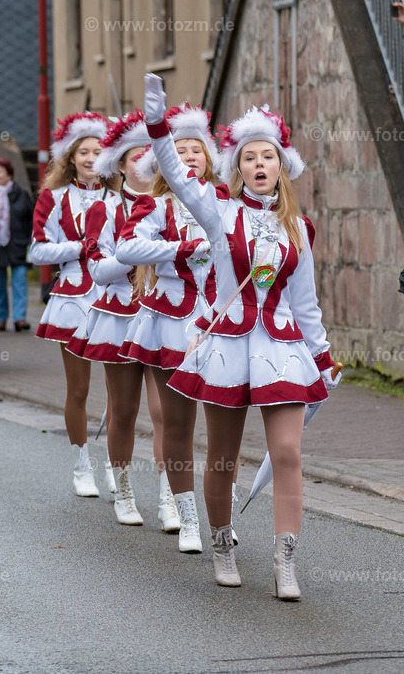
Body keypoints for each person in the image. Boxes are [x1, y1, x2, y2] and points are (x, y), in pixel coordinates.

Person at [144, 74, 338, 599]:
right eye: (249, 157)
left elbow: (306, 304)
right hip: (228, 346)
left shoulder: (298, 228)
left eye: (267, 156)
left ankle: (285, 560)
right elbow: (174, 172)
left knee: (288, 452)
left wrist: (322, 358)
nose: (259, 164)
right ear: (238, 168)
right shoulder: (217, 210)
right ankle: (222, 544)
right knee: (223, 456)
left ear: (282, 166)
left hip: (282, 347)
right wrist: (157, 121)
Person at [114, 103, 221, 553]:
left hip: (223, 322)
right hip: (171, 321)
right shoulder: (154, 205)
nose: (190, 156)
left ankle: (220, 519)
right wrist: (180, 250)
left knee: (225, 424)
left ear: (210, 159)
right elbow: (126, 249)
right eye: (180, 150)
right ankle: (186, 516)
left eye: (197, 149)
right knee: (176, 421)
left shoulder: (226, 203)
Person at [66, 110, 178, 529]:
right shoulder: (105, 209)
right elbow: (97, 270)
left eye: (153, 155)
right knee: (125, 410)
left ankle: (170, 495)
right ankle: (125, 490)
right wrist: (136, 254)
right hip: (120, 316)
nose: (146, 163)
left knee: (167, 412)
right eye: (136, 157)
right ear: (119, 164)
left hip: (164, 315)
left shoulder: (174, 207)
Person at [29, 112, 110, 497]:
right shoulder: (54, 197)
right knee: (78, 389)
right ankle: (82, 466)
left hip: (116, 298)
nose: (91, 159)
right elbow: (37, 252)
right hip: (73, 299)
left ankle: (117, 465)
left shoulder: (122, 198)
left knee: (120, 395)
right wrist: (79, 248)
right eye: (84, 152)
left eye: (98, 151)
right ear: (71, 157)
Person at [0, 158, 35, 332]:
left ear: (9, 174)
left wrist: (30, 240)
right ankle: (1, 318)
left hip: (18, 243)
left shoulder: (20, 193)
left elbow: (32, 218)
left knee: (19, 282)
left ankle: (20, 318)